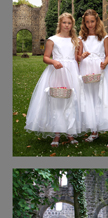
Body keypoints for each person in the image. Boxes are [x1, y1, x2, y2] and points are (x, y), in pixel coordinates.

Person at [24, 12, 82, 146]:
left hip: (71, 72)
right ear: (60, 24)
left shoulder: (75, 40)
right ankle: (56, 134)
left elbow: (75, 59)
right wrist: (54, 62)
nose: (66, 25)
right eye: (64, 22)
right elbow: (46, 57)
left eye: (69, 23)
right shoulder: (52, 40)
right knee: (56, 101)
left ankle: (70, 133)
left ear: (72, 25)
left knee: (71, 101)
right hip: (57, 71)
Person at [76, 10, 108, 149]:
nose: (89, 24)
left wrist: (105, 63)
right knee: (90, 100)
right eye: (87, 22)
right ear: (84, 23)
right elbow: (78, 57)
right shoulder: (81, 38)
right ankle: (94, 131)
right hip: (87, 70)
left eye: (92, 21)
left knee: (105, 100)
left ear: (97, 21)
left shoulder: (104, 37)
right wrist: (83, 56)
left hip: (101, 70)